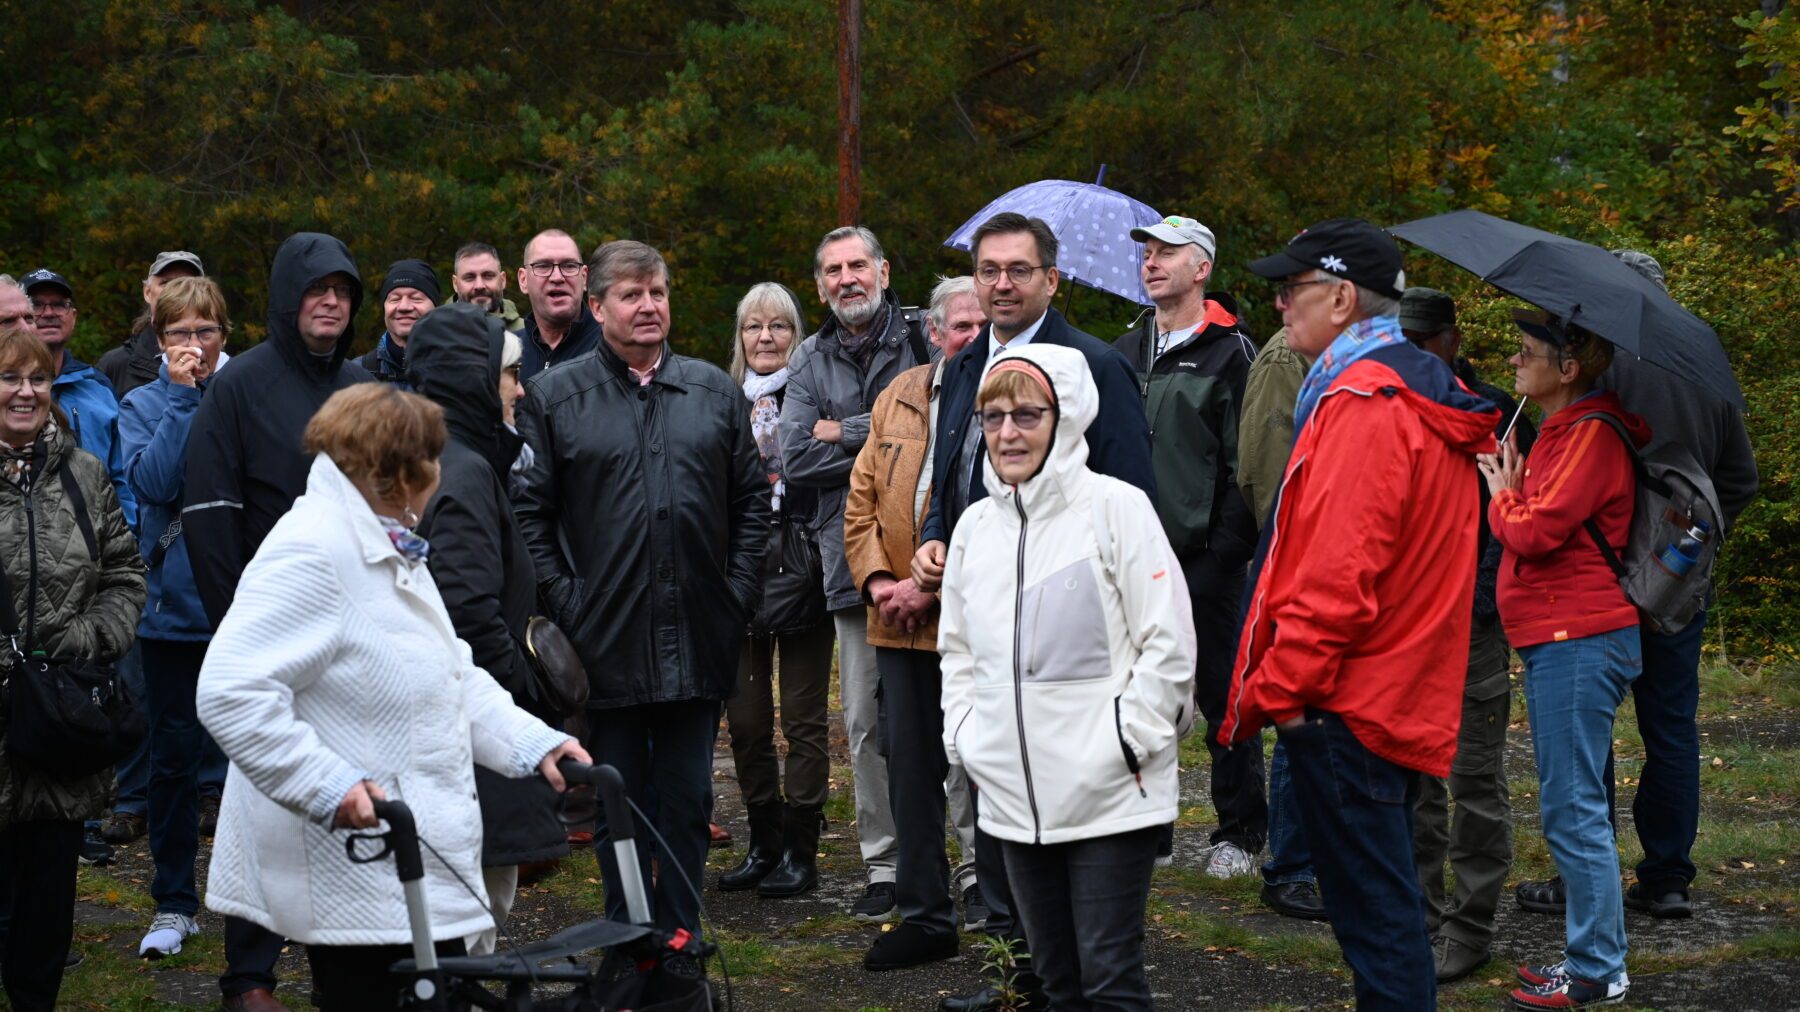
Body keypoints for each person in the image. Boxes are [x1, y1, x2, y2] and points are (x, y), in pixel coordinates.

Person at [196, 384, 588, 1010]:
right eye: (432, 459)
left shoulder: (386, 543)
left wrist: (532, 742)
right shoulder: (311, 551)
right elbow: (230, 690)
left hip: (418, 854)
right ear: (399, 472)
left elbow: (447, 670)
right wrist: (327, 784)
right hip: (363, 864)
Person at [1220, 218, 1499, 1009]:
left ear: (1342, 298)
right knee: (1383, 915)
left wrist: (1288, 693)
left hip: (1350, 703)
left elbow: (1338, 573)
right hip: (1385, 693)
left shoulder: (1367, 400)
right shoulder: (1400, 388)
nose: (1278, 305)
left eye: (1291, 289)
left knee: (1377, 924)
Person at [911, 212, 1155, 1012]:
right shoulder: (964, 361)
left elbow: (1128, 504)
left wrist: (1130, 729)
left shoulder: (1095, 366)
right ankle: (1017, 975)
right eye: (988, 270)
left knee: (1099, 953)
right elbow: (953, 476)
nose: (1002, 284)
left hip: (1084, 673)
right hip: (987, 634)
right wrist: (939, 538)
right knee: (1003, 841)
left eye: (1019, 269)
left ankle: (1048, 979)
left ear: (1052, 278)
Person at [515, 240, 769, 938]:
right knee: (616, 801)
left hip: (698, 633)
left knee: (688, 799)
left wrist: (735, 592)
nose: (649, 305)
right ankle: (629, 940)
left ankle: (680, 937)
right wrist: (570, 602)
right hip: (607, 642)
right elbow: (529, 517)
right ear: (598, 307)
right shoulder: (557, 396)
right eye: (631, 294)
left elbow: (752, 503)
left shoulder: (712, 391)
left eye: (657, 291)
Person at [940, 344, 1195, 1011]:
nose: (1008, 432)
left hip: (1108, 794)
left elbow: (1167, 644)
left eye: (1027, 414)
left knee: (1109, 981)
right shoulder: (973, 529)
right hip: (1012, 799)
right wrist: (970, 741)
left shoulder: (1116, 509)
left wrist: (1126, 741)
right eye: (992, 417)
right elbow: (957, 654)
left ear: (1067, 416)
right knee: (1055, 985)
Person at [1514, 249, 1760, 922]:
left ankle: (1580, 880)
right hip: (1674, 584)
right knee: (1671, 727)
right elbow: (1739, 480)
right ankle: (1667, 877)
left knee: (1582, 731)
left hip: (1594, 577)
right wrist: (1687, 551)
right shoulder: (1703, 374)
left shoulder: (1594, 367)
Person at [184, 231, 372, 1012]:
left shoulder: (364, 387)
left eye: (343, 289)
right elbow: (208, 510)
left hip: (354, 634)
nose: (330, 300)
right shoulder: (241, 386)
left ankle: (353, 951)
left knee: (350, 796)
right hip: (268, 629)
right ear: (286, 297)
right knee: (263, 799)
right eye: (315, 288)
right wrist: (244, 629)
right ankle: (250, 974)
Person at [1476, 311, 1644, 1010]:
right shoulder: (1563, 433)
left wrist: (1501, 494)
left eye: (1526, 353)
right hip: (1559, 639)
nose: (1515, 362)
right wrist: (1518, 484)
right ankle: (1592, 960)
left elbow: (1535, 530)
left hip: (1580, 638)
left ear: (1568, 367)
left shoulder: (1591, 436)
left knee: (1573, 811)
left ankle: (1599, 970)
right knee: (1570, 807)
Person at [778, 225, 933, 921]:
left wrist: (845, 428)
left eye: (858, 265)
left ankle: (961, 859)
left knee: (949, 720)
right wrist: (890, 434)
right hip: (851, 564)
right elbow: (794, 458)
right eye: (833, 270)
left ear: (884, 268)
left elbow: (950, 430)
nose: (848, 278)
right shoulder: (809, 358)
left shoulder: (927, 336)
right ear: (819, 285)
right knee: (867, 722)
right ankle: (886, 863)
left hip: (939, 557)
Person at [404, 304, 570, 956]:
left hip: (465, 741)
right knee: (462, 937)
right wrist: (526, 695)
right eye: (508, 374)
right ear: (471, 378)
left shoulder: (457, 460)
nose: (520, 388)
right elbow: (466, 617)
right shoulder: (464, 472)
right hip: (473, 751)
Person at [0, 324, 146, 1010]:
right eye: (8, 378)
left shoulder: (83, 474)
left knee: (46, 914)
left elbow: (124, 572)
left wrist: (89, 638)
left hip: (61, 724)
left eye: (36, 378)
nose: (24, 391)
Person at [844, 275, 987, 971]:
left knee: (986, 764)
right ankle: (926, 912)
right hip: (896, 621)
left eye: (982, 324)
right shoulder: (895, 397)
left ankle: (998, 901)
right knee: (909, 768)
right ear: (933, 333)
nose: (971, 337)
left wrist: (928, 586)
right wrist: (879, 584)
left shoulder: (1007, 396)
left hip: (971, 617)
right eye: (960, 326)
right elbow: (860, 502)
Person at [1116, 214, 1263, 880]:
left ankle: (1239, 830)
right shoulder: (1122, 351)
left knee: (1223, 696)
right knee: (1134, 695)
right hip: (1128, 556)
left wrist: (1225, 551)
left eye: (1166, 252)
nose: (1150, 262)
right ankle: (1144, 821)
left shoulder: (1232, 352)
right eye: (1145, 253)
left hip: (1205, 559)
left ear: (1200, 268)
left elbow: (1248, 463)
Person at [1397, 287, 1537, 982]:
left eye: (1428, 341)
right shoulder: (1390, 408)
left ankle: (1470, 925)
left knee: (1473, 778)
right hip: (1407, 625)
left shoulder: (1500, 418)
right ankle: (1419, 914)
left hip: (1473, 626)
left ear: (1452, 339)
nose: (1417, 353)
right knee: (1415, 775)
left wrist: (1478, 606)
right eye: (1407, 342)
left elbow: (1513, 524)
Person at [116, 276, 236, 960]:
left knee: (251, 762)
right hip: (170, 614)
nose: (194, 346)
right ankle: (173, 899)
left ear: (224, 334)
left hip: (241, 608)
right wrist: (184, 402)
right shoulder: (141, 404)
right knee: (172, 763)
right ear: (159, 342)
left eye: (205, 332)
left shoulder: (244, 396)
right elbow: (155, 483)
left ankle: (258, 895)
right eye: (180, 335)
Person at [717, 282, 835, 899]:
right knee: (747, 722)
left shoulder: (816, 396)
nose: (766, 338)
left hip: (804, 563)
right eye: (754, 327)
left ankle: (801, 850)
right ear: (740, 337)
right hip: (738, 568)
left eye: (779, 327)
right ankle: (762, 843)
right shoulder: (718, 400)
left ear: (796, 334)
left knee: (805, 718)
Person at [21, 266, 142, 860]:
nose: (47, 313)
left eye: (58, 304)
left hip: (74, 637)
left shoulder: (97, 393)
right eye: (34, 303)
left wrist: (96, 633)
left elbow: (121, 489)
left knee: (51, 856)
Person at [1233, 325, 1325, 923]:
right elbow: (1265, 470)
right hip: (1303, 563)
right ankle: (1291, 867)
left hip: (1343, 562)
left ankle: (1320, 859)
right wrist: (1292, 556)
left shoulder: (1358, 352)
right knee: (1301, 707)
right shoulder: (1287, 355)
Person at [99, 251, 206, 398]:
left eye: (186, 284)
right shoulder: (115, 366)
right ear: (148, 292)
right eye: (166, 283)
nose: (176, 291)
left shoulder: (224, 368)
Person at [516, 229, 600, 380]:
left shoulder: (612, 347)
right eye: (543, 266)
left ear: (584, 277)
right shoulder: (506, 353)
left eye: (569, 266)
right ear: (523, 280)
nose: (557, 277)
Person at [358, 259, 441, 387]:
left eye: (416, 298)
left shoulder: (457, 372)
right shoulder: (356, 374)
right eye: (395, 299)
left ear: (435, 307)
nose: (404, 307)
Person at [449, 241, 526, 334]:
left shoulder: (528, 333)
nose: (479, 286)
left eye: (488, 276)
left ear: (502, 280)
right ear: (455, 284)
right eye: (470, 277)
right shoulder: (436, 333)